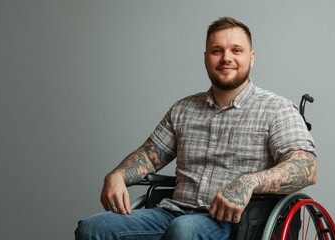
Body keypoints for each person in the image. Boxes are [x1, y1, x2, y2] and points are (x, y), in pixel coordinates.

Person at [75, 16, 317, 240]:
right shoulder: (183, 109)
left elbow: (306, 167)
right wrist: (116, 175)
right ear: (205, 58)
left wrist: (248, 182)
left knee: (183, 230)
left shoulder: (277, 109)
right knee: (93, 228)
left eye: (236, 50)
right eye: (216, 51)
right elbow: (149, 156)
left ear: (251, 58)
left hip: (235, 222)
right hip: (172, 214)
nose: (226, 58)